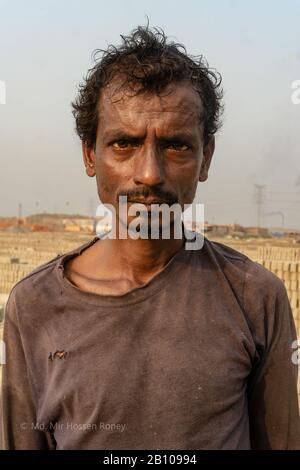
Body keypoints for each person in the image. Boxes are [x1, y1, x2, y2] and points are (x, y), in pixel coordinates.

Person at [1, 25, 299, 450]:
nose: (149, 174)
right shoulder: (34, 306)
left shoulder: (255, 297)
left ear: (205, 157)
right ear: (90, 154)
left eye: (176, 146)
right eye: (124, 144)